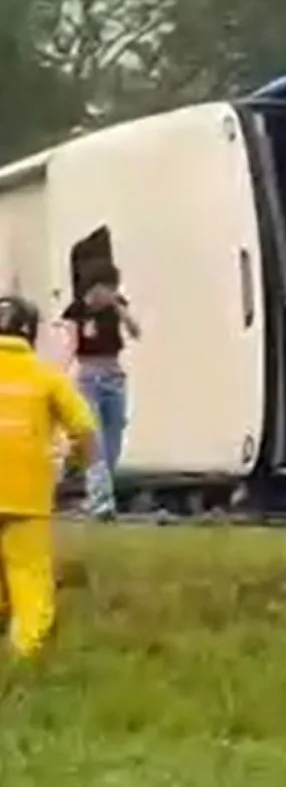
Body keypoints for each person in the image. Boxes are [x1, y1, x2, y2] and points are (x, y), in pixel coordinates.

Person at [0, 296, 97, 658]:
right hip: (28, 494)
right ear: (30, 332)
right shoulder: (46, 377)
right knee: (28, 572)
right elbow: (85, 428)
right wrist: (79, 466)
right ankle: (24, 651)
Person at [60, 260, 139, 520]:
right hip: (89, 376)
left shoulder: (116, 308)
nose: (110, 293)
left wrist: (119, 307)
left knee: (114, 439)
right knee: (95, 440)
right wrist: (60, 373)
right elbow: (71, 344)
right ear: (95, 287)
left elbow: (135, 331)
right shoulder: (77, 310)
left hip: (114, 375)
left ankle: (102, 495)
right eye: (107, 288)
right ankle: (101, 503)